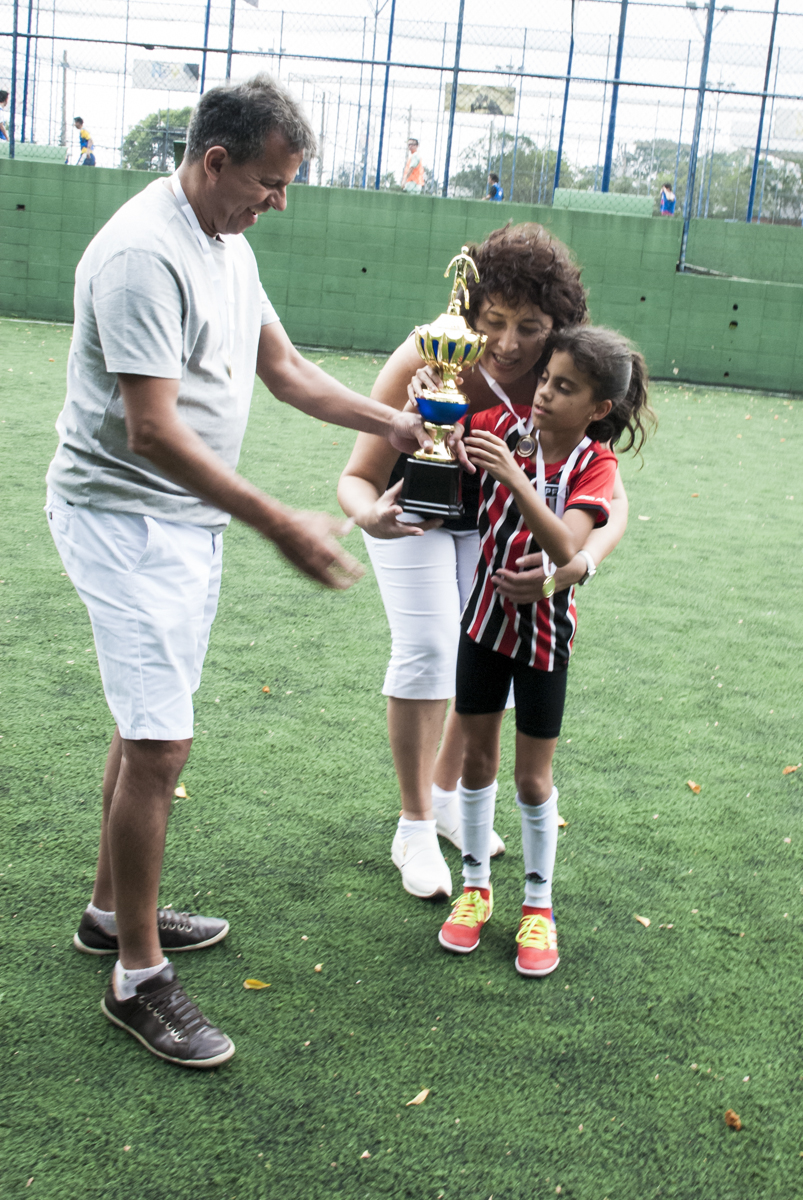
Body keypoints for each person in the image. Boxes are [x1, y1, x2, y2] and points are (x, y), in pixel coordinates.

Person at [45, 73, 431, 1069]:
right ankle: (135, 979)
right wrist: (277, 521)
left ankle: (106, 913)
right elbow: (150, 429)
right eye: (268, 181)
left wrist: (391, 421)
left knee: (148, 726)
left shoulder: (226, 242)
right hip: (124, 519)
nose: (278, 200)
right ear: (214, 161)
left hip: (181, 526)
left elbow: (285, 369)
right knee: (161, 744)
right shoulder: (142, 253)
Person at [338, 224, 629, 901]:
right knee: (428, 647)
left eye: (529, 326)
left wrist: (570, 570)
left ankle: (444, 797)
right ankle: (412, 826)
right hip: (409, 516)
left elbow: (609, 497)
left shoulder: (563, 375)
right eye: (491, 321)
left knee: (488, 649)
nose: (506, 343)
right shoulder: (427, 354)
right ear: (468, 314)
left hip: (492, 523)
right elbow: (355, 477)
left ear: (558, 325)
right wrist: (366, 516)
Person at [438, 326, 655, 977]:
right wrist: (442, 424)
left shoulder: (595, 464)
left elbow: (567, 549)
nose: (543, 395)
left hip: (543, 636)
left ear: (597, 408)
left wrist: (511, 474)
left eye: (564, 388)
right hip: (482, 624)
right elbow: (441, 418)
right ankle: (474, 888)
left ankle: (538, 904)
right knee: (476, 759)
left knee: (532, 778)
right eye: (544, 380)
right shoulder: (502, 428)